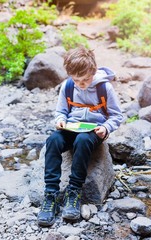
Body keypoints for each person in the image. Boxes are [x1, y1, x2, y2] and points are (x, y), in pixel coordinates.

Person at [37, 46, 123, 227]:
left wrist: (106, 128)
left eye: (85, 79)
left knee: (83, 141)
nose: (82, 84)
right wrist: (60, 120)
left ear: (93, 71)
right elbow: (61, 111)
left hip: (93, 131)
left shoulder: (104, 87)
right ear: (70, 76)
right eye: (77, 80)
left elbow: (116, 116)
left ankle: (74, 191)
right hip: (70, 128)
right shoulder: (67, 86)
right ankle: (50, 194)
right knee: (53, 140)